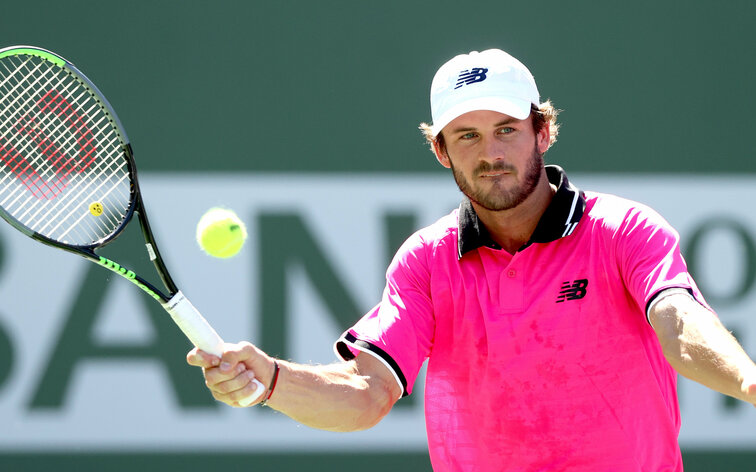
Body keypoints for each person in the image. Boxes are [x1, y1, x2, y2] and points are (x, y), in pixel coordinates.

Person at [187, 48, 756, 471]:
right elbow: (368, 392)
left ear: (542, 132)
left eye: (506, 129)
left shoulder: (624, 230)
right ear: (441, 151)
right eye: (467, 136)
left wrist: (750, 381)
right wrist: (271, 380)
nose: (491, 154)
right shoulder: (425, 261)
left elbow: (679, 324)